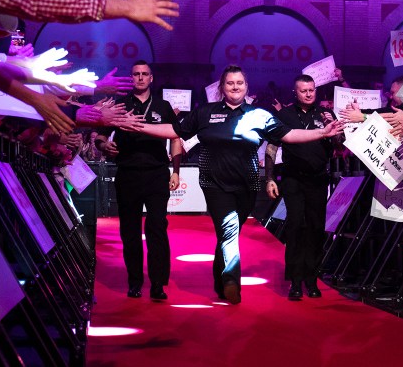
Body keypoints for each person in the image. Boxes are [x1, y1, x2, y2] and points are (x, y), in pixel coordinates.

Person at [129, 65, 344, 305]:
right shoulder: (205, 112)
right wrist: (136, 126)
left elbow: (289, 135)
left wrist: (322, 133)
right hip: (214, 183)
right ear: (222, 87)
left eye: (239, 83)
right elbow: (173, 130)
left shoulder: (259, 115)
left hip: (247, 186)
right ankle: (232, 280)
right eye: (230, 83)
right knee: (229, 227)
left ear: (246, 87)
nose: (235, 87)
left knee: (228, 234)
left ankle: (220, 282)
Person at [97, 61, 182, 301]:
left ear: (152, 78)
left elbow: (176, 138)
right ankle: (134, 282)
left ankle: (158, 284)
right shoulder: (120, 104)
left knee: (157, 227)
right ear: (131, 77)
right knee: (130, 230)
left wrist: (176, 171)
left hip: (157, 174)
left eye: (145, 74)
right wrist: (104, 146)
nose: (141, 78)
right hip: (128, 173)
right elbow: (100, 136)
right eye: (136, 74)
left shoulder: (164, 106)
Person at [264, 75, 338, 300]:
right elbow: (271, 147)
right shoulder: (284, 115)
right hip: (292, 178)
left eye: (311, 90)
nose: (308, 94)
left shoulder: (325, 114)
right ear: (295, 93)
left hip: (318, 179)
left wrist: (333, 127)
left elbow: (339, 145)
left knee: (315, 228)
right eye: (303, 90)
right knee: (296, 225)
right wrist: (269, 178)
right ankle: (295, 282)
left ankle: (311, 279)